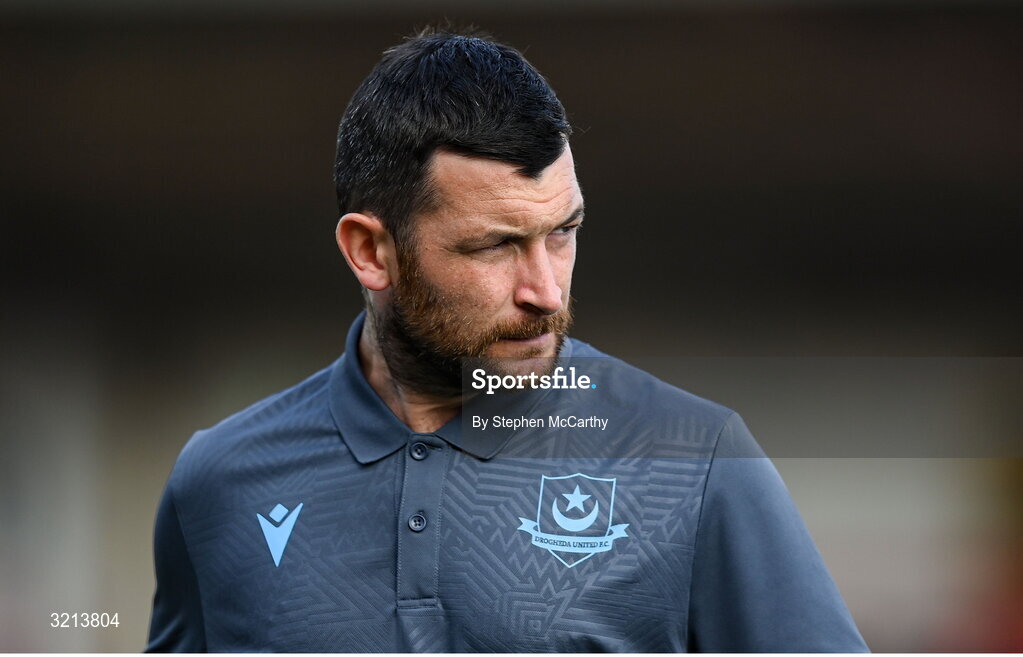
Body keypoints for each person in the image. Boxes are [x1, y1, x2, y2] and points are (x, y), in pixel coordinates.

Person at [146, 28, 868, 653]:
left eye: (563, 232)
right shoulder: (220, 483)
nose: (546, 291)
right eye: (493, 246)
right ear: (371, 251)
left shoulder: (693, 459)